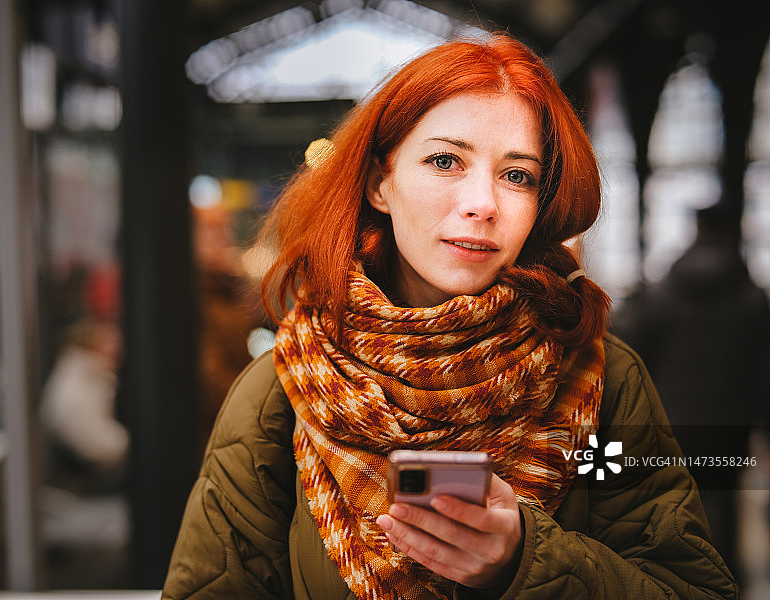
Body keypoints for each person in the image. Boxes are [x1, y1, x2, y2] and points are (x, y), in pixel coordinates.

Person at [162, 33, 738, 599]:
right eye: (445, 161)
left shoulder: (602, 376)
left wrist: (526, 561)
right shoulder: (284, 388)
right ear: (379, 184)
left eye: (518, 175)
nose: (483, 204)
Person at [611, 201, 770, 582]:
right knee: (723, 503)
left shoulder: (663, 293)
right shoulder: (753, 301)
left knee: (675, 506)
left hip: (672, 421)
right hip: (730, 425)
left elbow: (631, 354)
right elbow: (763, 372)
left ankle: (678, 580)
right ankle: (726, 579)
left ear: (696, 231)